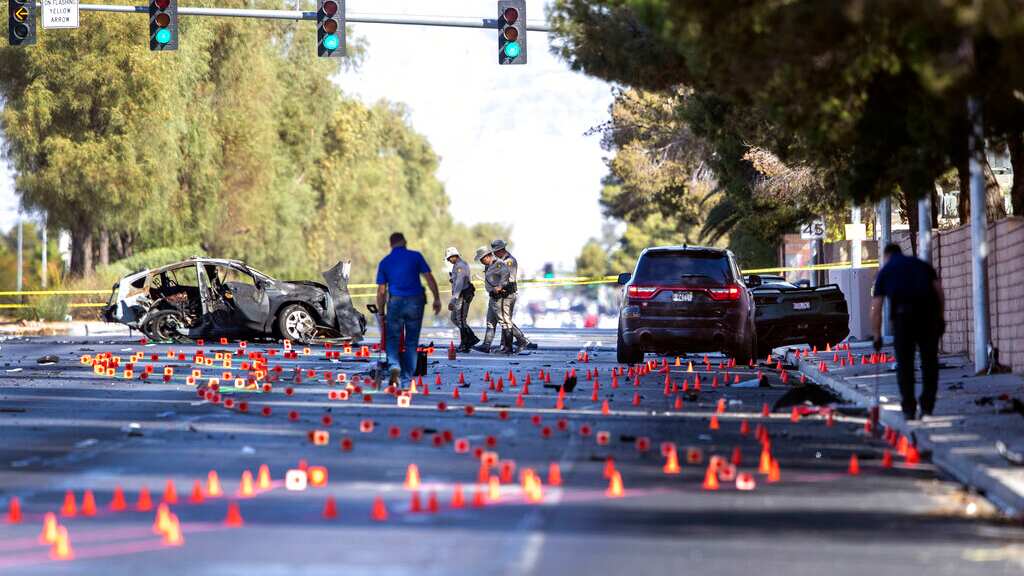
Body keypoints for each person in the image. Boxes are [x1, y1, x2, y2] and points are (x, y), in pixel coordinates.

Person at [871, 243, 945, 420]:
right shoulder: (922, 265)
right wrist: (940, 318)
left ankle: (909, 408)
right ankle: (927, 406)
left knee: (905, 365)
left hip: (903, 319)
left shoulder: (886, 271)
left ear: (886, 255)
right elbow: (939, 292)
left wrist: (876, 335)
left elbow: (876, 307)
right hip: (928, 317)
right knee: (929, 362)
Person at [376, 232, 442, 385]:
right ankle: (406, 378)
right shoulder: (416, 256)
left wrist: (381, 311)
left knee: (393, 338)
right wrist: (437, 299)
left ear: (390, 244)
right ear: (404, 241)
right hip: (415, 302)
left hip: (396, 302)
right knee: (411, 341)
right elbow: (429, 278)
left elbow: (381, 291)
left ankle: (394, 369)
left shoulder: (385, 262)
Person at [490, 239, 536, 351]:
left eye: (495, 251)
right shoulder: (502, 260)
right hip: (503, 293)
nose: (494, 254)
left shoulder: (509, 261)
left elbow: (506, 279)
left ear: (501, 250)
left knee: (506, 321)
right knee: (505, 321)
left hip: (507, 293)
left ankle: (521, 341)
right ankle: (506, 345)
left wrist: (499, 286)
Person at [472, 246, 513, 354]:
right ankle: (486, 346)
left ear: (488, 256)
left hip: (499, 297)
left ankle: (508, 347)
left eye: (482, 258)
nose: (481, 261)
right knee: (490, 322)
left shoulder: (498, 263)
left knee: (504, 322)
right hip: (492, 297)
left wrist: (500, 286)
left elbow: (506, 274)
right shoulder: (489, 266)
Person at [445, 246, 479, 352]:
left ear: (453, 256)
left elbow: (459, 284)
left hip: (462, 295)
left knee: (460, 320)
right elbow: (457, 281)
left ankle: (465, 344)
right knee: (455, 318)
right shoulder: (457, 266)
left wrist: (453, 299)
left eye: (449, 258)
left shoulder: (460, 266)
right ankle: (471, 338)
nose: (448, 260)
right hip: (460, 295)